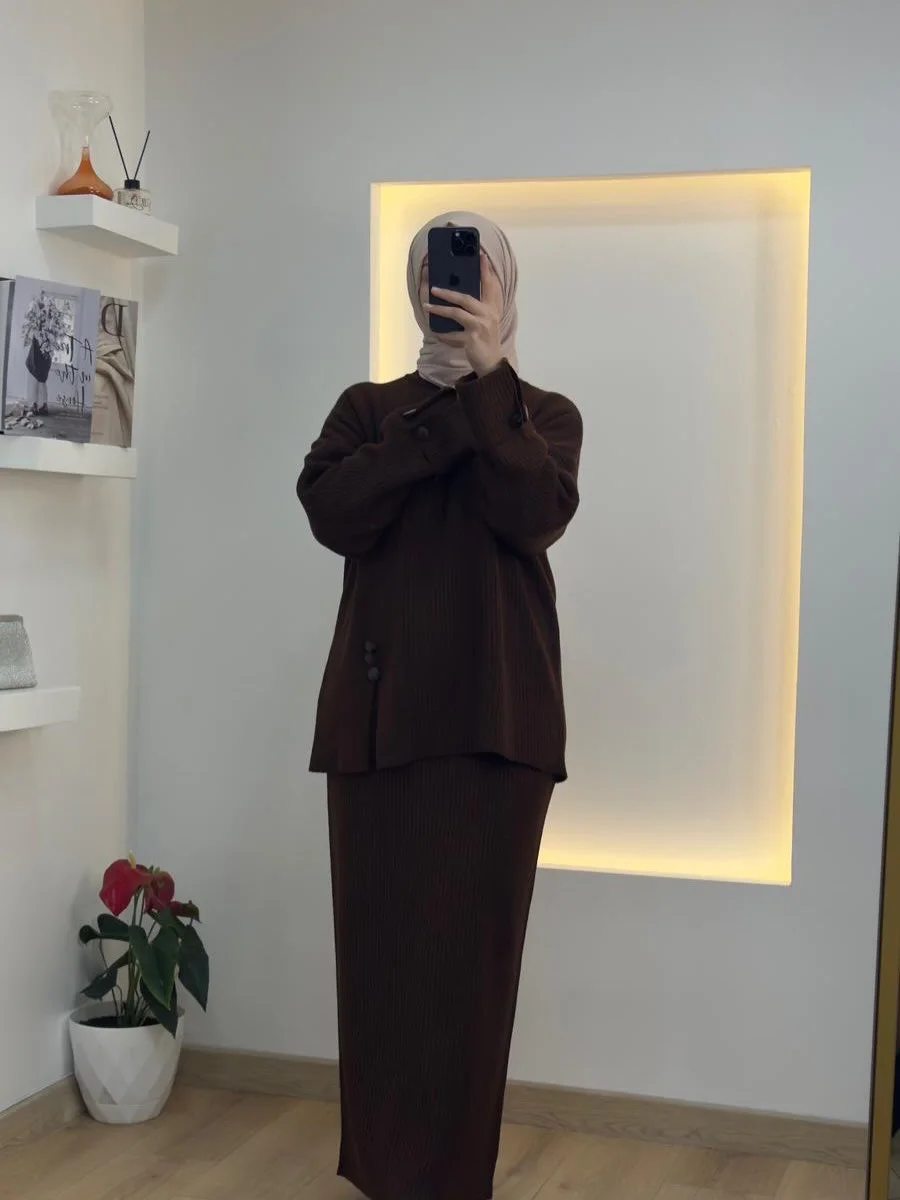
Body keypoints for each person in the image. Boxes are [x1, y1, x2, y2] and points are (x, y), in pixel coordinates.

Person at [297, 211, 582, 1200]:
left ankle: (456, 1182)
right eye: (433, 271)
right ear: (413, 290)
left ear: (506, 287)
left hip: (498, 731)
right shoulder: (368, 408)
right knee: (380, 969)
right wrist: (442, 412)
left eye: (471, 271)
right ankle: (384, 1175)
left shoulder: (543, 414)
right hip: (378, 731)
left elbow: (535, 510)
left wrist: (488, 385)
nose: (450, 288)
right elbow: (335, 512)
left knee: (471, 980)